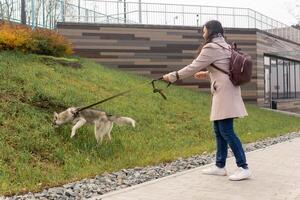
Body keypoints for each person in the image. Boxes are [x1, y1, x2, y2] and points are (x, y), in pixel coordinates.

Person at [162, 20, 251, 181]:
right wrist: (207, 74)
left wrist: (173, 76)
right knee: (219, 130)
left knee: (226, 130)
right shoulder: (225, 45)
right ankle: (219, 165)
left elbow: (193, 66)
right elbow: (223, 66)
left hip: (224, 92)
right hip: (226, 90)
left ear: (210, 31)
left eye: (204, 31)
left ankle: (243, 167)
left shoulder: (211, 47)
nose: (203, 34)